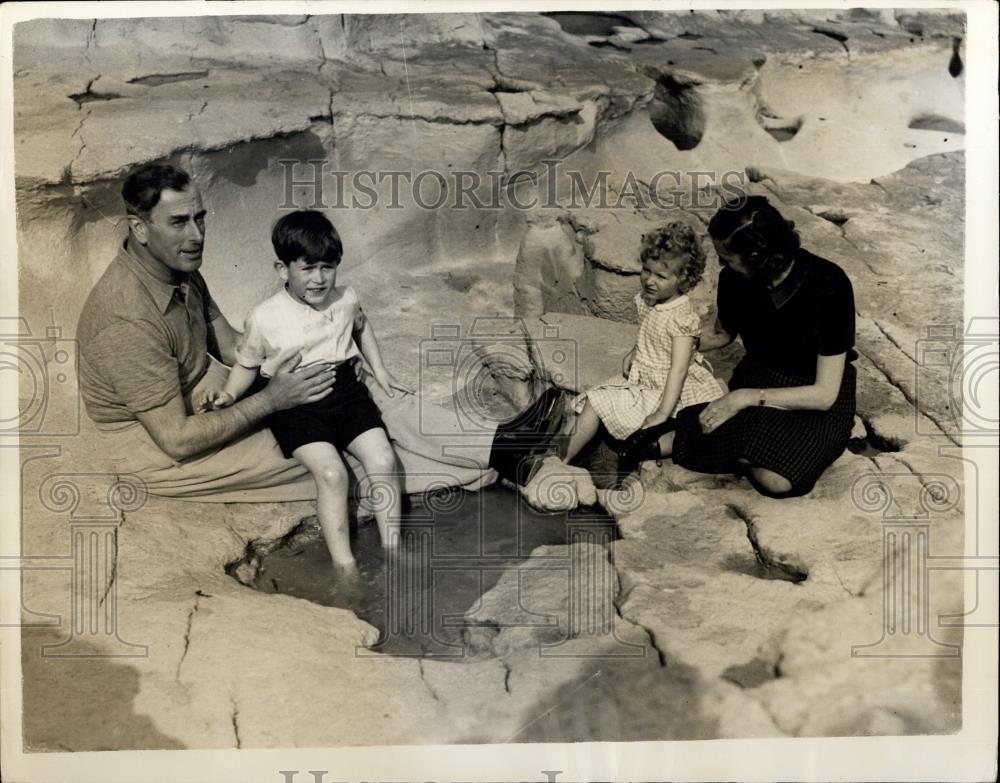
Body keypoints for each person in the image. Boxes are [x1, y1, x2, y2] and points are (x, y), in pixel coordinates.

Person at [77, 163, 560, 505]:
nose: (197, 234)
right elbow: (176, 441)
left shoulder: (178, 267)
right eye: (179, 222)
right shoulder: (126, 319)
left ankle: (501, 444)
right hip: (156, 447)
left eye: (200, 217)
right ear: (138, 229)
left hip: (203, 400)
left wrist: (306, 357)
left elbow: (230, 343)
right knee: (329, 454)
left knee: (347, 389)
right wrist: (271, 401)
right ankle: (496, 466)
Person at [199, 211, 406, 569]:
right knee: (332, 474)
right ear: (283, 270)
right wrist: (231, 396)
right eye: (307, 269)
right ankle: (345, 565)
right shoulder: (265, 317)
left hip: (345, 392)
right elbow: (247, 364)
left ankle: (393, 549)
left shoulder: (346, 298)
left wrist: (381, 371)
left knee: (384, 460)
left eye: (328, 267)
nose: (320, 279)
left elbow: (361, 326)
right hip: (295, 403)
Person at [651, 195, 857, 497]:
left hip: (815, 396)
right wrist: (666, 344)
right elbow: (722, 335)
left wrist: (743, 399)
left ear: (757, 256)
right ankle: (740, 445)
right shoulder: (733, 280)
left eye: (727, 257)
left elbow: (825, 394)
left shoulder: (829, 283)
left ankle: (732, 444)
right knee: (740, 443)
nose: (721, 264)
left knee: (778, 481)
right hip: (760, 376)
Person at [558, 222, 726, 477]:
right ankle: (557, 454)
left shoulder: (681, 317)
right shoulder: (650, 300)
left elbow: (678, 370)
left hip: (671, 392)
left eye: (660, 276)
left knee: (596, 401)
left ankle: (561, 462)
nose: (649, 280)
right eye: (646, 271)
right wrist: (636, 352)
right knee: (590, 401)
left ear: (683, 279)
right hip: (646, 376)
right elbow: (648, 331)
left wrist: (662, 412)